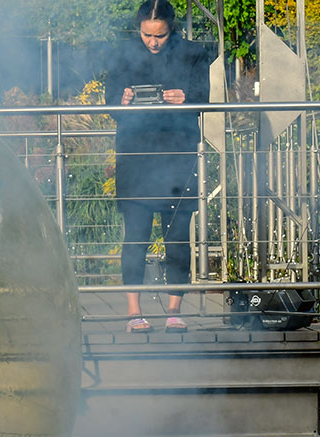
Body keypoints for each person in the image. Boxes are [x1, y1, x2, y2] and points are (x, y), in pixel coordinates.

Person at [105, 0, 210, 333]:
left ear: (171, 29)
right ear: (139, 29)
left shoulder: (193, 53)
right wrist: (119, 102)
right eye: (147, 35)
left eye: (160, 36)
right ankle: (133, 312)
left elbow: (203, 97)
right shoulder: (122, 55)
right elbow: (110, 102)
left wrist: (185, 98)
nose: (152, 42)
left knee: (177, 236)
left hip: (178, 156)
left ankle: (175, 310)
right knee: (135, 236)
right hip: (136, 157)